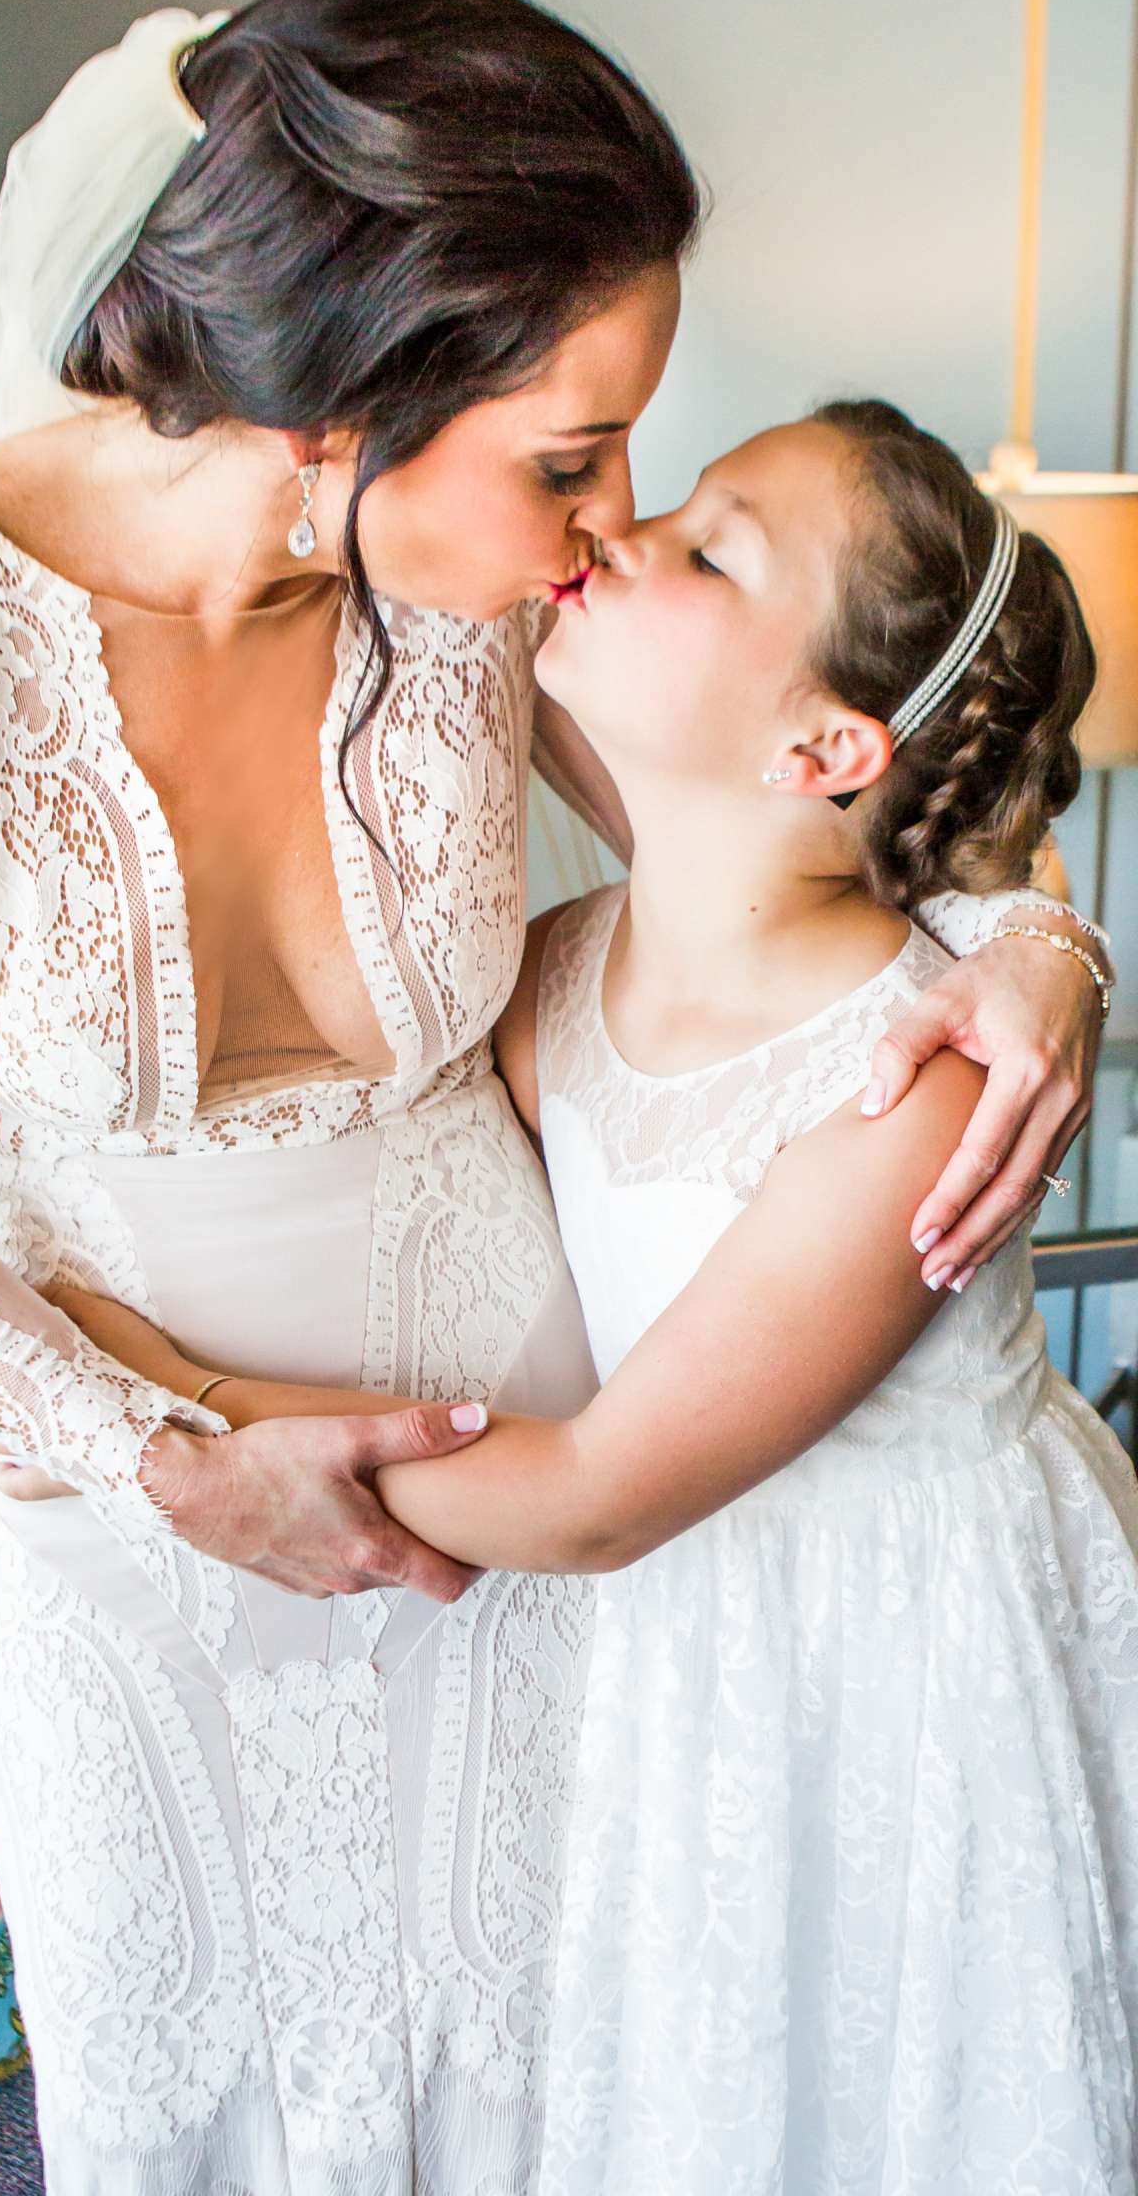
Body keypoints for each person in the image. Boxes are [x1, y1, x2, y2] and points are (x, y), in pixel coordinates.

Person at [0, 0, 1108, 2195]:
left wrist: (1042, 939)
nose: (594, 520)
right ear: (338, 405)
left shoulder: (466, 594)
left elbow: (812, 811)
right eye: (566, 454)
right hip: (121, 1560)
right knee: (183, 2128)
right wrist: (160, 1454)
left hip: (535, 1567)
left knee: (566, 2102)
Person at [150, 400, 1133, 2190]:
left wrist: (185, 1429)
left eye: (707, 547)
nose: (621, 532)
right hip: (707, 1653)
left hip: (896, 1669)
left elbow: (597, 1499)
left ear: (826, 745)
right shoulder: (555, 980)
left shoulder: (903, 1085)